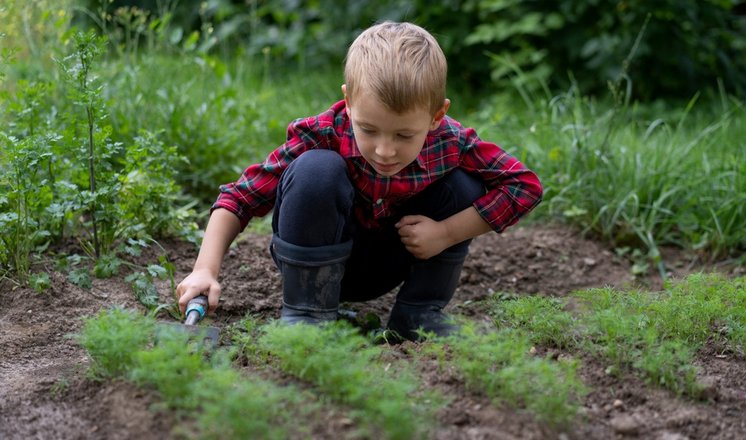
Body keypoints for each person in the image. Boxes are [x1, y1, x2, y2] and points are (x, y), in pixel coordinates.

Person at [175, 21, 542, 341]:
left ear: (436, 115)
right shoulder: (322, 133)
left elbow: (524, 186)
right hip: (315, 258)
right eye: (368, 129)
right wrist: (204, 270)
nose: (384, 151)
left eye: (403, 135)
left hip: (395, 258)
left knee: (463, 184)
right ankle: (306, 315)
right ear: (348, 102)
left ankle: (417, 314)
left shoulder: (449, 141)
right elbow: (239, 198)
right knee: (315, 169)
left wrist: (446, 232)